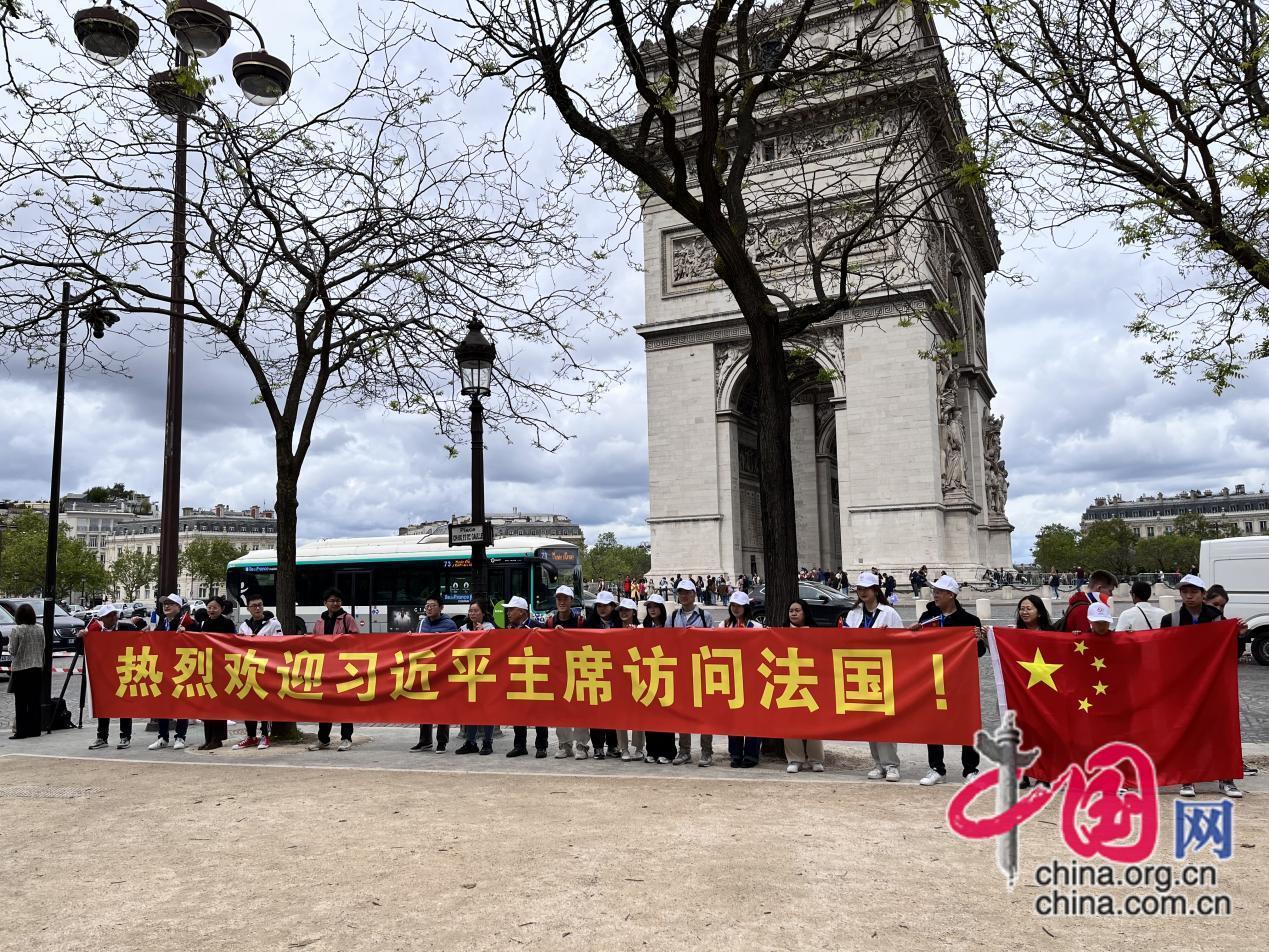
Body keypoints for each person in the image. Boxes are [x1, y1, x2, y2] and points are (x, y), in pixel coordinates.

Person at [914, 576, 985, 786]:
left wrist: (978, 640)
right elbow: (919, 647)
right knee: (933, 721)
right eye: (934, 591)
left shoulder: (969, 620)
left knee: (967, 721)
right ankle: (937, 768)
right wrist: (913, 634)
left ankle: (970, 769)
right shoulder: (927, 617)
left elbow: (979, 652)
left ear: (951, 595)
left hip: (961, 678)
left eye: (939, 592)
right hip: (933, 676)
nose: (934, 595)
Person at [841, 573, 905, 781]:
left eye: (866, 588)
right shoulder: (853, 613)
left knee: (885, 719)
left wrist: (887, 637)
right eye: (859, 589)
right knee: (870, 719)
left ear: (876, 590)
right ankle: (878, 763)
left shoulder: (889, 613)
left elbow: (902, 640)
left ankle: (891, 764)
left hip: (884, 670)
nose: (862, 592)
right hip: (862, 670)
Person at [308, 589, 361, 752]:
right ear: (325, 603)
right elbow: (314, 642)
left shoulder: (347, 618)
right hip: (325, 669)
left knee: (345, 704)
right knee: (325, 705)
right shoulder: (319, 621)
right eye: (332, 600)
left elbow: (356, 640)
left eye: (338, 600)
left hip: (343, 668)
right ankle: (323, 739)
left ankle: (346, 738)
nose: (335, 603)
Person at [670, 578, 716, 767]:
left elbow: (714, 643)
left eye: (687, 592)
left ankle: (706, 751)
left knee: (706, 712)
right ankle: (684, 751)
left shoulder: (705, 616)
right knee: (682, 712)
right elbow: (665, 641)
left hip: (702, 670)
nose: (684, 596)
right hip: (681, 670)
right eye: (681, 592)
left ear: (694, 594)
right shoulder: (673, 616)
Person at [542, 585, 592, 760]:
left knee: (580, 708)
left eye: (565, 599)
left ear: (571, 601)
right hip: (558, 671)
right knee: (560, 709)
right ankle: (564, 745)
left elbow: (589, 644)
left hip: (578, 670)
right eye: (559, 599)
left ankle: (581, 745)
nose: (562, 602)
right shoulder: (549, 622)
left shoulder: (580, 622)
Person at [232, 593, 283, 750]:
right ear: (248, 608)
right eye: (254, 606)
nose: (258, 608)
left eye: (260, 605)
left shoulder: (273, 624)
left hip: (267, 669)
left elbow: (280, 644)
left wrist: (259, 641)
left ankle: (265, 736)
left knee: (265, 703)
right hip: (249, 669)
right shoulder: (244, 626)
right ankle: (251, 736)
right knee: (249, 703)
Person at [410, 596, 459, 752]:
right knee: (424, 706)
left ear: (441, 608)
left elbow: (454, 646)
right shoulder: (422, 623)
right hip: (425, 670)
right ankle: (425, 741)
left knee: (442, 707)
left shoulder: (450, 625)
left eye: (432, 605)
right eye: (427, 605)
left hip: (442, 671)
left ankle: (442, 742)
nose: (429, 608)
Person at [720, 591, 764, 768]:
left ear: (746, 607)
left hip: (752, 678)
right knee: (733, 716)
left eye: (739, 605)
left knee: (753, 716)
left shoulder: (757, 627)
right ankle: (735, 753)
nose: (735, 608)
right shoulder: (724, 625)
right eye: (733, 605)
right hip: (731, 677)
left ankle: (752, 754)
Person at [782, 599, 825, 774]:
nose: (793, 613)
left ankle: (816, 759)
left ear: (805, 612)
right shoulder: (780, 632)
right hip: (789, 680)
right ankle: (795, 759)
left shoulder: (816, 632)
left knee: (813, 720)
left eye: (797, 610)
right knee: (789, 720)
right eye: (791, 610)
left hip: (811, 680)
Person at [503, 596, 548, 758]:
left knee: (539, 710)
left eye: (511, 610)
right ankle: (519, 745)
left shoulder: (537, 627)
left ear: (522, 612)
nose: (508, 613)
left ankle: (541, 746)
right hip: (517, 673)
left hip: (535, 672)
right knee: (517, 710)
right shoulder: (509, 629)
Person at [192, 595, 236, 750]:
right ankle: (208, 738)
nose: (211, 610)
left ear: (222, 609)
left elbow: (232, 642)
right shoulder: (204, 623)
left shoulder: (227, 623)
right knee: (206, 704)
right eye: (209, 607)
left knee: (218, 704)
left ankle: (217, 738)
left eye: (215, 607)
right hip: (206, 666)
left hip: (221, 667)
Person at [86, 604, 132, 750]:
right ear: (102, 618)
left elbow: (142, 636)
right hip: (103, 674)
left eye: (114, 614)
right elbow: (81, 648)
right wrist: (81, 637)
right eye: (108, 616)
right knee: (104, 705)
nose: (113, 618)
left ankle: (125, 736)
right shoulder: (95, 631)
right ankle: (102, 737)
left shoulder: (126, 628)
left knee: (124, 705)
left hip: (123, 671)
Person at [453, 601, 497, 755]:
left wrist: (483, 634)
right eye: (470, 610)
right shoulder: (463, 629)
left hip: (485, 673)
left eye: (476, 611)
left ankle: (487, 742)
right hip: (469, 673)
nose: (472, 613)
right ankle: (470, 742)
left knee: (486, 708)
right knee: (470, 707)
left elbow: (496, 646)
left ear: (483, 613)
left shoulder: (490, 628)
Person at [149, 593, 191, 750]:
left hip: (180, 668)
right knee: (162, 703)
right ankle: (163, 737)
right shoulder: (162, 623)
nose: (166, 606)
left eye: (170, 603)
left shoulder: (185, 622)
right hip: (163, 669)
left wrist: (187, 632)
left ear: (178, 607)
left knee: (181, 703)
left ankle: (180, 736)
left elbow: (198, 636)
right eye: (164, 603)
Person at [584, 591, 622, 759]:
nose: (602, 609)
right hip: (595, 670)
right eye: (599, 605)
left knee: (613, 711)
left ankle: (613, 745)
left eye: (605, 605)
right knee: (596, 711)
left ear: (612, 607)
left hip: (615, 672)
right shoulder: (589, 624)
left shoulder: (620, 623)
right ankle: (598, 746)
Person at [641, 594, 676, 764]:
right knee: (650, 714)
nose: (652, 609)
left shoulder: (670, 626)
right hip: (648, 674)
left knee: (666, 715)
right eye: (649, 607)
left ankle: (668, 751)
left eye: (655, 606)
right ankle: (652, 750)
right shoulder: (642, 627)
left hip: (666, 673)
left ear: (661, 608)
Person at [5, 602, 44, 740]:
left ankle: (21, 731)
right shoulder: (40, 628)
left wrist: (9, 644)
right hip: (36, 668)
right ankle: (35, 729)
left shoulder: (17, 630)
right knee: (34, 701)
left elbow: (12, 650)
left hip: (21, 669)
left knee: (21, 702)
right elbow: (43, 646)